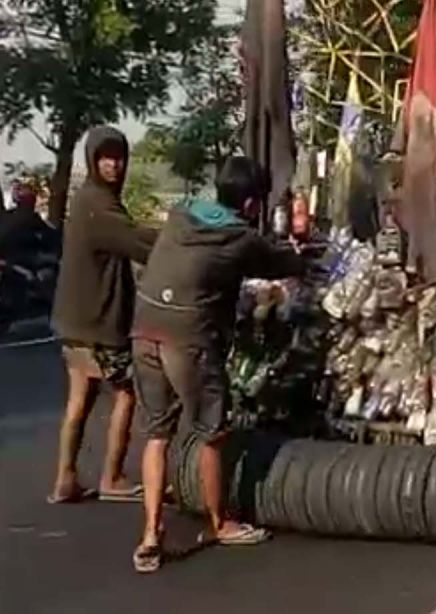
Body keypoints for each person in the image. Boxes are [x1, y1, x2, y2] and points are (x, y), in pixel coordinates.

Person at [131, 156, 306, 573]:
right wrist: (301, 254)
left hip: (144, 328)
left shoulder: (180, 212)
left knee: (158, 434)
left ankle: (150, 537)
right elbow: (283, 263)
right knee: (212, 431)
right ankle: (221, 522)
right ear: (250, 204)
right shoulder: (241, 236)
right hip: (187, 337)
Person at [49, 126, 158, 504]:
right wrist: (181, 240)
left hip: (72, 320)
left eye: (118, 157)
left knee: (79, 398)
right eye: (106, 157)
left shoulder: (87, 200)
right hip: (98, 322)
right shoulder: (98, 204)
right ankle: (112, 476)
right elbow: (136, 241)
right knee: (127, 393)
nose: (113, 165)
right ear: (93, 161)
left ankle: (65, 478)